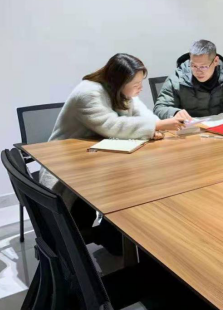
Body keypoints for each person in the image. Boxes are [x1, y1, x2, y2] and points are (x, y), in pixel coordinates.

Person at [40, 53, 184, 254]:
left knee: (138, 180)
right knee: (128, 187)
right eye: (136, 84)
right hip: (69, 170)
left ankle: (119, 237)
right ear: (119, 82)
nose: (140, 88)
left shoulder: (121, 91)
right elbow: (112, 126)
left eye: (141, 82)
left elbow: (144, 115)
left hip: (101, 161)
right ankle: (115, 237)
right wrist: (157, 126)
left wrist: (156, 125)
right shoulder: (89, 93)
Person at [153, 40, 223, 121]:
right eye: (193, 66)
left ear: (215, 61)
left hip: (219, 129)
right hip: (187, 131)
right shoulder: (177, 79)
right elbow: (160, 107)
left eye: (203, 66)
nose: (198, 71)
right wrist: (174, 113)